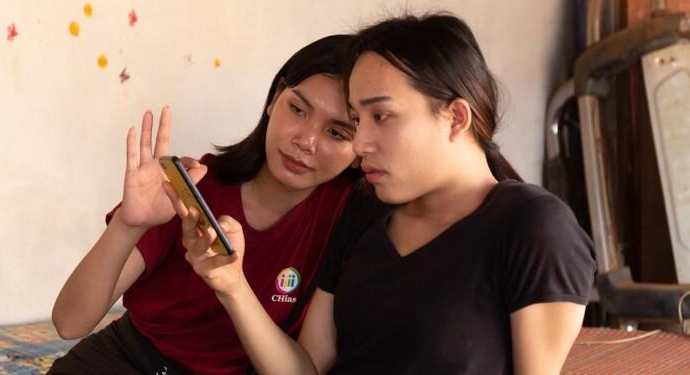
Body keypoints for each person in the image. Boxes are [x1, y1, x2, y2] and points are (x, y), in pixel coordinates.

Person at [174, 13, 596, 375]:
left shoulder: (533, 227)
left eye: (382, 116)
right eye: (358, 120)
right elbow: (307, 368)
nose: (360, 145)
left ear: (455, 117)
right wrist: (231, 284)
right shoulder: (363, 213)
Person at [49, 34, 361, 375]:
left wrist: (232, 285)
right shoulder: (195, 186)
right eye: (298, 110)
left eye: (337, 133)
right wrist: (129, 223)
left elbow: (303, 370)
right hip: (125, 362)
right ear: (275, 98)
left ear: (362, 146)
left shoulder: (348, 216)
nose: (306, 141)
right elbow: (70, 323)